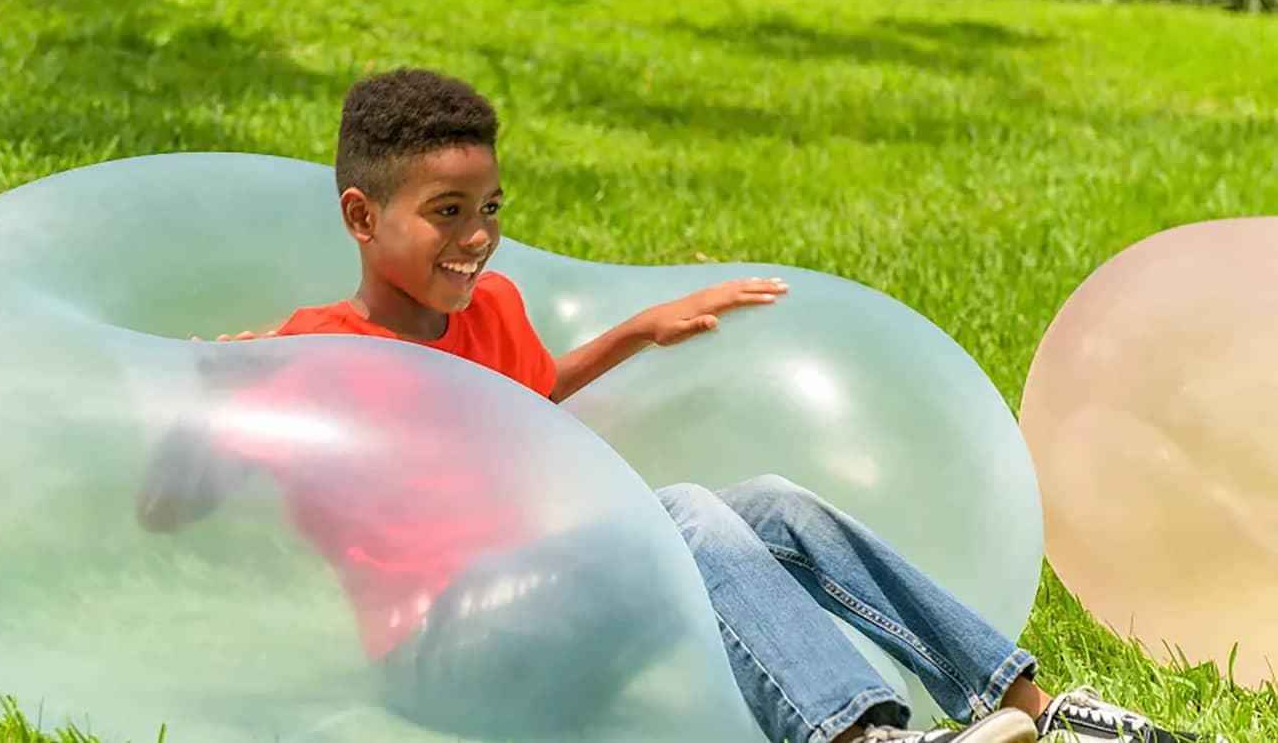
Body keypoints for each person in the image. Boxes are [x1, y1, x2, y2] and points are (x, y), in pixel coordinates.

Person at [143, 68, 1218, 743]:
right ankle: (852, 738)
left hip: (546, 612)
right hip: (438, 659)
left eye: (490, 208)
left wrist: (630, 333)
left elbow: (521, 405)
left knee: (771, 498)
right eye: (445, 213)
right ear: (360, 214)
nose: (476, 236)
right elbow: (168, 510)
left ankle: (1032, 705)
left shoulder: (493, 307)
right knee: (689, 511)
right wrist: (208, 396)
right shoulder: (311, 351)